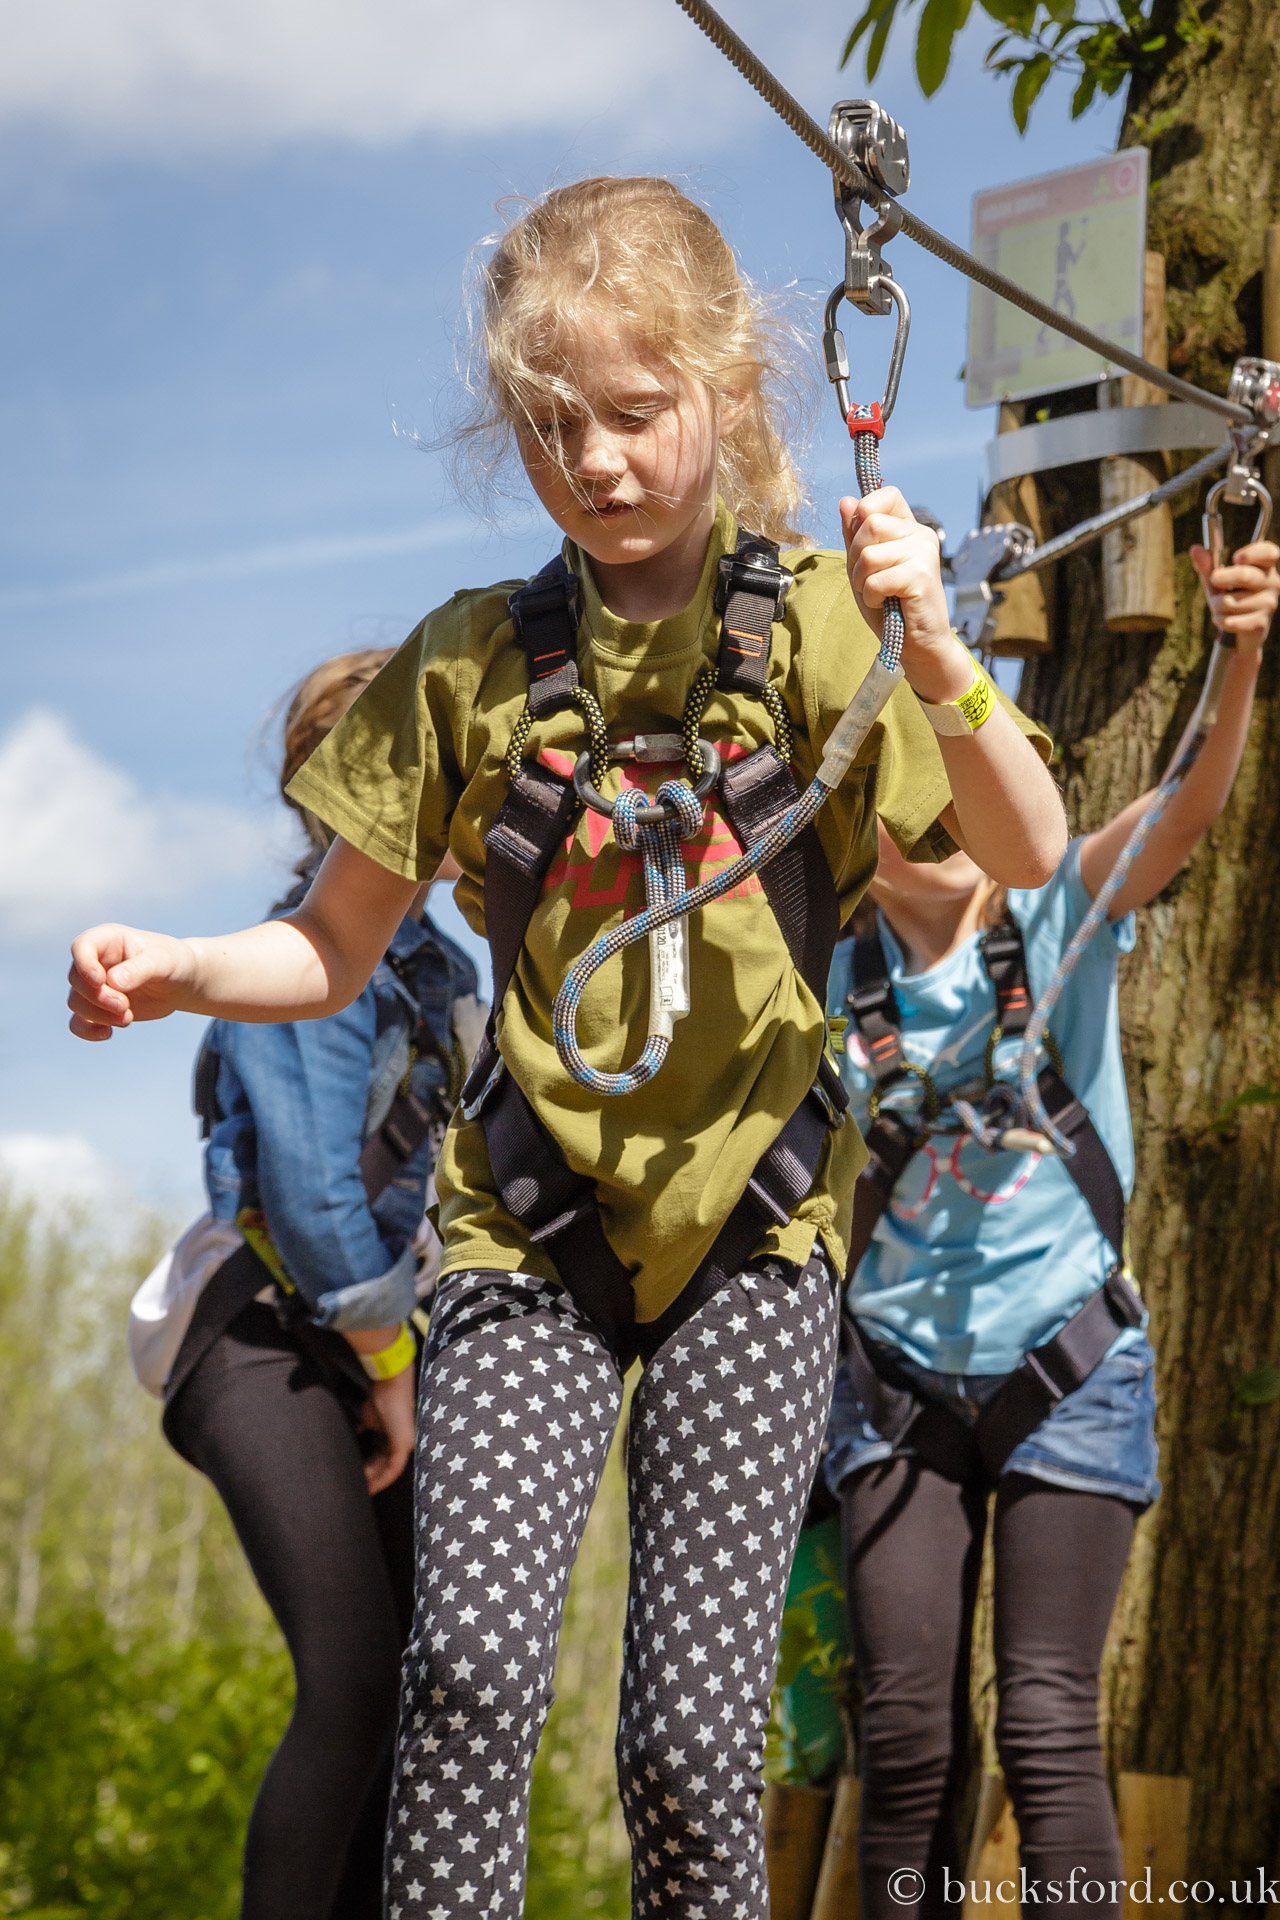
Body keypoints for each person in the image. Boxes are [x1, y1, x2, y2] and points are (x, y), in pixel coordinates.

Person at [67, 175, 1065, 1919]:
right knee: (461, 1679)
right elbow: (333, 943)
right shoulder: (469, 662)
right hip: (523, 1227)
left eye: (632, 412)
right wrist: (183, 968)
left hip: (753, 1231)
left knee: (690, 1739)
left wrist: (934, 645)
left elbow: (1029, 846)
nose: (593, 460)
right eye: (548, 424)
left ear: (729, 387)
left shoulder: (823, 624)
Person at [820, 536, 1280, 1920]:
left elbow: (1186, 806)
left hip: (1066, 1365)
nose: (938, 821)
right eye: (908, 795)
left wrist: (1240, 653)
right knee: (904, 1737)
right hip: (895, 1381)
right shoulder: (824, 971)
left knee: (1044, 1723)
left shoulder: (1058, 905)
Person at [161, 649, 482, 1920]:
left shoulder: (444, 972)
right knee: (351, 1678)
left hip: (375, 1339)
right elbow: (308, 1197)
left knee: (414, 1688)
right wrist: (393, 1370)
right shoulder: (295, 956)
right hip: (266, 1336)